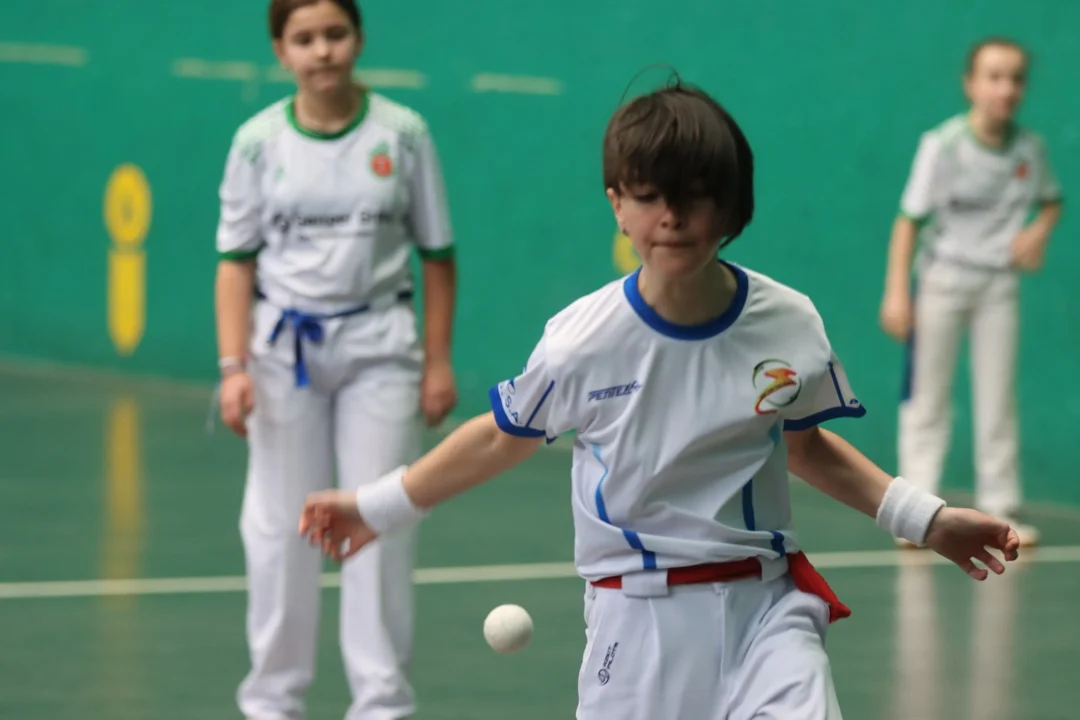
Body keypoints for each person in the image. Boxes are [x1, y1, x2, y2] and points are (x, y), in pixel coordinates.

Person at [297, 79, 1020, 720]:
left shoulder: (789, 322)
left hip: (769, 611)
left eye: (693, 195)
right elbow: (498, 437)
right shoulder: (580, 343)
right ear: (617, 204)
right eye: (648, 195)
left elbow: (807, 448)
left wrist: (926, 521)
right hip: (636, 621)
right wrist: (375, 506)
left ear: (731, 205)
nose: (671, 215)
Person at [213, 0, 458, 717]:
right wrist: (232, 368)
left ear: (358, 39)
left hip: (380, 349)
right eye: (304, 39)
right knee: (279, 527)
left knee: (380, 517)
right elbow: (235, 263)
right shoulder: (256, 144)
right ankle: (271, 701)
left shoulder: (404, 135)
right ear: (280, 52)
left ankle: (381, 704)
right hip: (280, 355)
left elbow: (437, 255)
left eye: (334, 34)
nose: (322, 50)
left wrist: (437, 361)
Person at [880, 37, 1063, 548]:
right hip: (941, 280)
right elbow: (908, 221)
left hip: (998, 285)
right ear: (971, 84)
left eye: (1015, 78)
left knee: (998, 397)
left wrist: (1037, 232)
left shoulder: (1030, 149)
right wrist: (897, 292)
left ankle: (1002, 510)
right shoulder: (942, 145)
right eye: (994, 77)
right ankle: (915, 513)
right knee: (927, 398)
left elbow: (1052, 202)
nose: (1006, 89)